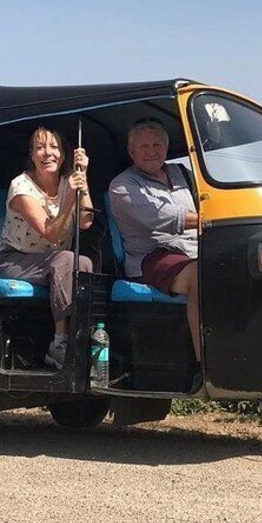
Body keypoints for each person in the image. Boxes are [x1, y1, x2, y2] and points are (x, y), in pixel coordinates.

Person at [0, 127, 94, 369]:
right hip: (12, 259)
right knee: (67, 260)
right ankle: (59, 344)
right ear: (32, 155)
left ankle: (83, 336)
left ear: (64, 154)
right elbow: (51, 232)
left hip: (51, 261)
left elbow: (86, 222)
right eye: (40, 148)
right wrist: (70, 196)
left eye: (54, 147)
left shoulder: (69, 181)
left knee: (85, 262)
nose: (47, 153)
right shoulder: (20, 186)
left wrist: (83, 179)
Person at [108, 118, 200, 363]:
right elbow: (164, 218)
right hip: (153, 257)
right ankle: (207, 366)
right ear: (131, 152)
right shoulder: (122, 185)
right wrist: (212, 220)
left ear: (166, 149)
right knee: (202, 276)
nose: (151, 151)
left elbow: (212, 200)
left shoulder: (184, 175)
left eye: (157, 145)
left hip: (195, 250)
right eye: (144, 146)